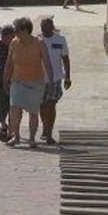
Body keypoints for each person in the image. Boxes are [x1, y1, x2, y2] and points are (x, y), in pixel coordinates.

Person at [3, 16, 53, 148]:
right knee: (14, 108)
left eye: (18, 31)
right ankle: (16, 136)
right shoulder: (14, 43)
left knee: (33, 112)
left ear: (25, 30)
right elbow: (9, 63)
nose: (16, 34)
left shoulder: (39, 43)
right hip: (18, 81)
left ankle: (31, 138)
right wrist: (5, 79)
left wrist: (51, 79)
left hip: (35, 82)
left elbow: (47, 62)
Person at [38, 16, 70, 145]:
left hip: (55, 78)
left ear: (52, 27)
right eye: (42, 27)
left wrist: (68, 76)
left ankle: (49, 132)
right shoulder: (37, 40)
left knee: (51, 105)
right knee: (41, 105)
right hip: (39, 79)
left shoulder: (60, 40)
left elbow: (65, 59)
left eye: (47, 27)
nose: (44, 30)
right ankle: (45, 129)